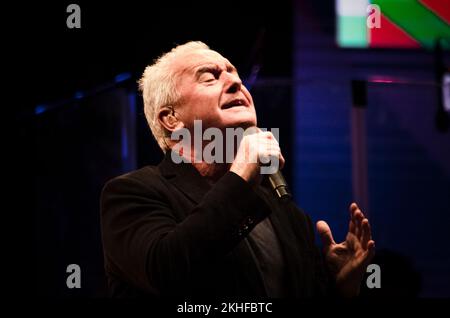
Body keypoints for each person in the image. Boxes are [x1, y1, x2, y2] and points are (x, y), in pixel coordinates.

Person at [100, 41, 375, 298]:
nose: (236, 82)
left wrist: (338, 288)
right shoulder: (132, 194)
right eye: (209, 77)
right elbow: (166, 273)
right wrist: (241, 175)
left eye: (235, 74)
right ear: (171, 118)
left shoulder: (284, 210)